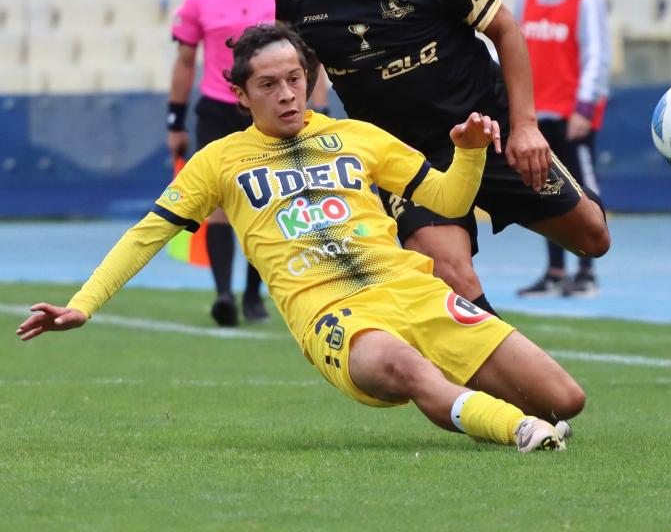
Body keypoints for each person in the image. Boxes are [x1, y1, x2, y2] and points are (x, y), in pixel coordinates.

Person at [17, 24, 583, 454]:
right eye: (269, 84)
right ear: (241, 95)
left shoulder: (357, 137)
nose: (288, 94)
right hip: (333, 314)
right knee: (410, 372)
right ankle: (519, 431)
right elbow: (147, 235)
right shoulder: (219, 161)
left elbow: (452, 203)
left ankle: (493, 403)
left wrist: (469, 151)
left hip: (412, 291)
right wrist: (83, 305)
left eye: (296, 79)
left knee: (566, 399)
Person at [275, 0, 610, 316]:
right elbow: (295, 82)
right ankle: (503, 379)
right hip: (407, 160)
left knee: (594, 238)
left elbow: (506, 30)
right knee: (450, 272)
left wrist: (527, 126)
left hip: (489, 132)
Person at [167, 0, 277, 327]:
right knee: (216, 207)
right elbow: (183, 61)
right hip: (215, 108)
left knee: (265, 204)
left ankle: (253, 295)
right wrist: (174, 122)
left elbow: (304, 59)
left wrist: (312, 108)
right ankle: (223, 296)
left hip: (265, 111)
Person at [516, 0, 611, 298]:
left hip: (573, 112)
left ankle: (587, 272)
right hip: (537, 114)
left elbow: (597, 55)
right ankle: (555, 271)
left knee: (584, 189)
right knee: (544, 190)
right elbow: (516, 45)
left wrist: (584, 108)